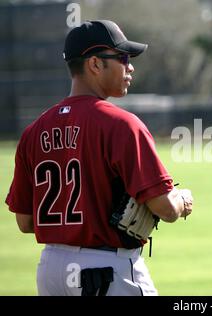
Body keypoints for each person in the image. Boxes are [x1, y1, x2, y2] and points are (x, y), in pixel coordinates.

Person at [5, 20, 193, 296]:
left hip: (50, 272)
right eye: (122, 57)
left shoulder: (34, 132)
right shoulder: (121, 125)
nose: (130, 67)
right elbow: (165, 209)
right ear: (94, 64)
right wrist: (183, 200)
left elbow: (25, 222)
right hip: (106, 270)